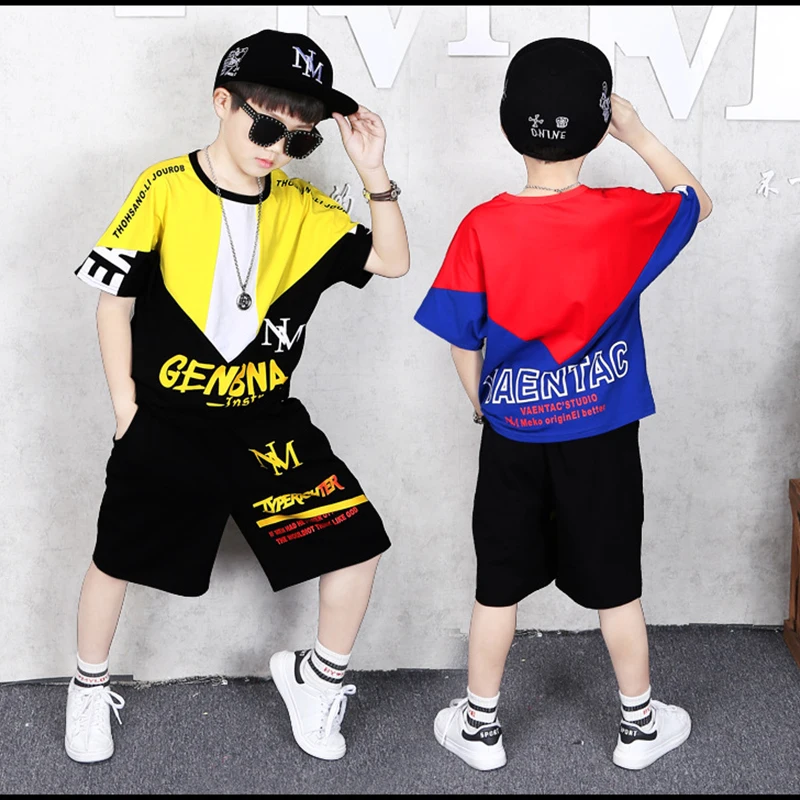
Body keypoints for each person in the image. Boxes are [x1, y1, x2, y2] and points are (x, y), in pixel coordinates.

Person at [67, 28, 409, 765]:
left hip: (265, 424)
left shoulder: (301, 206)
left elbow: (391, 259)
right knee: (115, 556)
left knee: (357, 545)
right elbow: (113, 302)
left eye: (300, 139)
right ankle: (88, 687)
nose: (277, 149)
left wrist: (373, 171)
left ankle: (317, 681)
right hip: (168, 421)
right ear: (223, 103)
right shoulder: (163, 186)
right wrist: (127, 412)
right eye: (265, 127)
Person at [413, 37, 712, 772]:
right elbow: (698, 202)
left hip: (512, 436)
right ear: (599, 125)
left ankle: (480, 727)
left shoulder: (482, 225)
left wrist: (483, 408)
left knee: (497, 584)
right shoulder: (623, 215)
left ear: (508, 122)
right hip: (601, 437)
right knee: (617, 585)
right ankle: (638, 727)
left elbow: (460, 342)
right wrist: (639, 134)